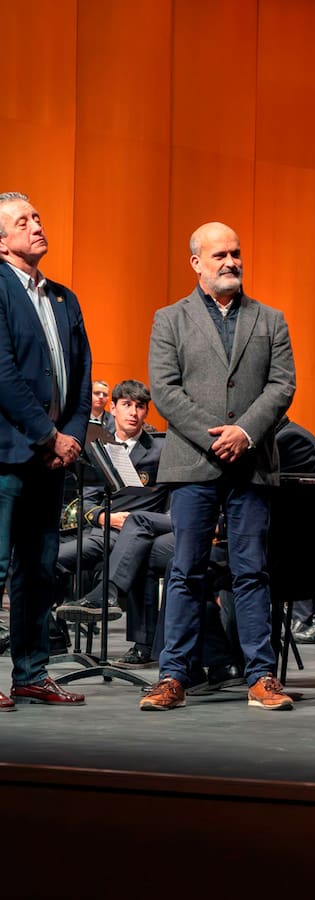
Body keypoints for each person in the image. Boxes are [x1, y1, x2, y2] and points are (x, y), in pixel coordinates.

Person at [142, 221, 297, 712]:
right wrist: (216, 438)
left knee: (252, 572)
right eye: (220, 256)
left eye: (236, 253)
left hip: (252, 464)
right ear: (196, 263)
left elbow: (282, 385)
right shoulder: (169, 318)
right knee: (186, 571)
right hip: (193, 462)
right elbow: (165, 390)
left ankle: (260, 677)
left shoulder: (270, 319)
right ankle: (173, 677)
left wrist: (244, 433)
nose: (231, 262)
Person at [0, 190, 92, 708]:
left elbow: (82, 377)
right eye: (22, 221)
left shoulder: (63, 297)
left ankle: (32, 673)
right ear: (1, 241)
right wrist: (47, 435)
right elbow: (4, 374)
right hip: (9, 453)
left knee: (38, 568)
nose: (36, 225)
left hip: (53, 456)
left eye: (37, 216)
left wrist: (72, 435)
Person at [55, 379, 166, 619]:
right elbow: (86, 500)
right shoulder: (99, 448)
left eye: (140, 406)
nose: (133, 413)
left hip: (135, 534)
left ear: (146, 411)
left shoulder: (160, 450)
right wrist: (106, 518)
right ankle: (53, 630)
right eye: (127, 405)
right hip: (100, 532)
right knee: (44, 559)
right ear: (113, 408)